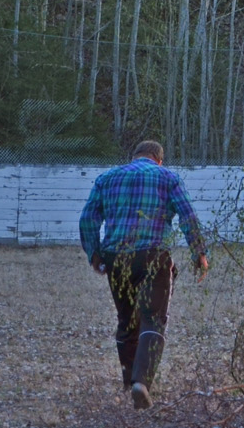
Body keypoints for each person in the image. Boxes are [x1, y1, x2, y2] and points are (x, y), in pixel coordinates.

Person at [78, 141, 210, 409]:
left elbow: (87, 219)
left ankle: (129, 383)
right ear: (159, 159)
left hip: (117, 257)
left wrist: (95, 253)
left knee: (127, 321)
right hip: (153, 257)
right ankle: (142, 383)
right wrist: (199, 252)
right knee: (153, 319)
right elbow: (188, 216)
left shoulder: (107, 178)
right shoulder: (168, 178)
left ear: (134, 156)